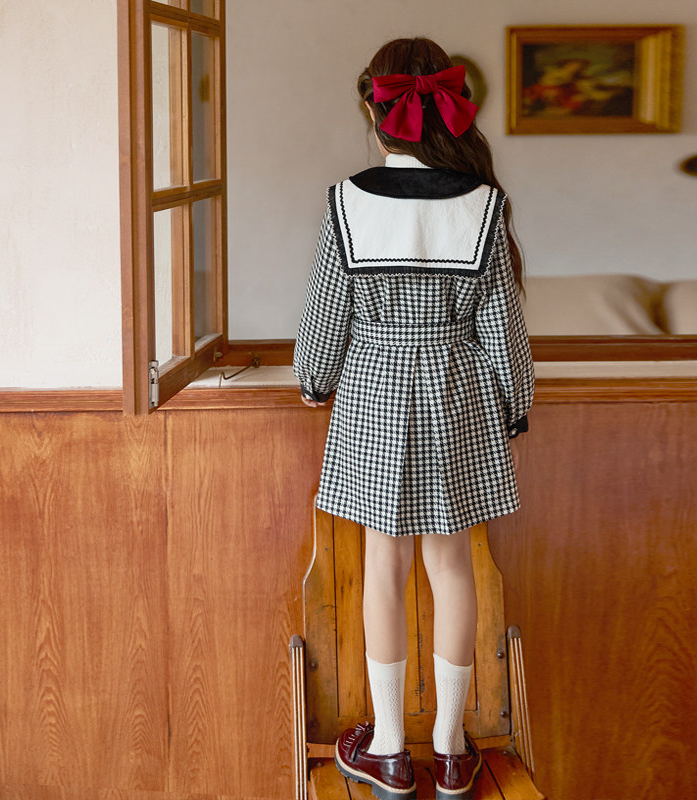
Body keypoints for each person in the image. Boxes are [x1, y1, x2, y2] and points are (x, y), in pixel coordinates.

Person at [293, 37, 534, 800]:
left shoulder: (347, 202)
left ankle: (390, 751)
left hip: (373, 389)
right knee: (454, 565)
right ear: (449, 112)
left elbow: (325, 316)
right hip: (458, 390)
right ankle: (454, 752)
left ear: (378, 111)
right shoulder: (483, 204)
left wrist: (312, 381)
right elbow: (503, 328)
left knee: (383, 569)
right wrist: (516, 405)